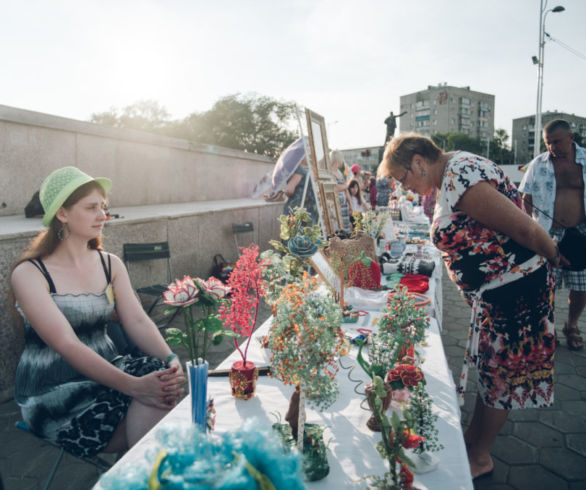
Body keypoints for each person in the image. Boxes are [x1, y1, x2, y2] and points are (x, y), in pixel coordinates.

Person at [379, 133, 561, 480]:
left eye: (403, 179)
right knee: (491, 374)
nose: (407, 189)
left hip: (516, 293)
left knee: (501, 380)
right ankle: (473, 442)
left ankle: (480, 456)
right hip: (501, 293)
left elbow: (525, 229)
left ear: (419, 161)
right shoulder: (454, 172)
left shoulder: (461, 175)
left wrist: (555, 257)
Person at [11, 166, 185, 459]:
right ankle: (146, 471)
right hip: (56, 395)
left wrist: (170, 358)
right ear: (62, 214)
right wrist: (134, 387)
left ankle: (143, 472)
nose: (103, 216)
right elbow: (67, 344)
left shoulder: (109, 263)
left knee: (163, 377)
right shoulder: (29, 273)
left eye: (104, 207)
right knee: (157, 394)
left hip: (108, 372)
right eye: (91, 208)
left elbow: (137, 319)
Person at [519, 119, 586, 351]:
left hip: (581, 233)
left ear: (571, 138)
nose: (552, 147)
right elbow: (525, 199)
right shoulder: (538, 164)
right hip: (548, 233)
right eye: (548, 143)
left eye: (557, 142)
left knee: (581, 287)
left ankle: (572, 325)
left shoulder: (585, 160)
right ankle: (551, 327)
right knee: (549, 287)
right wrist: (531, 230)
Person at [284, 157, 319, 224]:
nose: (310, 157)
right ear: (302, 157)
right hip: (298, 210)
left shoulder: (300, 169)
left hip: (303, 209)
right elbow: (289, 189)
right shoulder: (299, 170)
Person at [329, 150, 352, 232]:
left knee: (346, 229)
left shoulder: (339, 172)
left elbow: (345, 190)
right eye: (342, 158)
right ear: (338, 159)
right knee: (339, 229)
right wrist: (347, 185)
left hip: (344, 206)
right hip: (336, 205)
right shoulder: (330, 172)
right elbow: (336, 188)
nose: (343, 160)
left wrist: (350, 205)